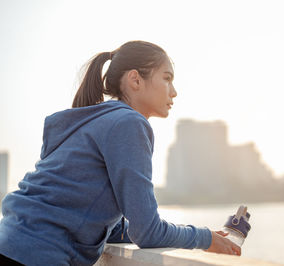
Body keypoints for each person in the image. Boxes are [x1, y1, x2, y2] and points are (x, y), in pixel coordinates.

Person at [0, 40, 241, 265]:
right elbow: (148, 232)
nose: (174, 91)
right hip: (36, 255)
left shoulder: (92, 121)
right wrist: (204, 238)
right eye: (167, 79)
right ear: (135, 80)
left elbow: (103, 221)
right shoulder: (128, 123)